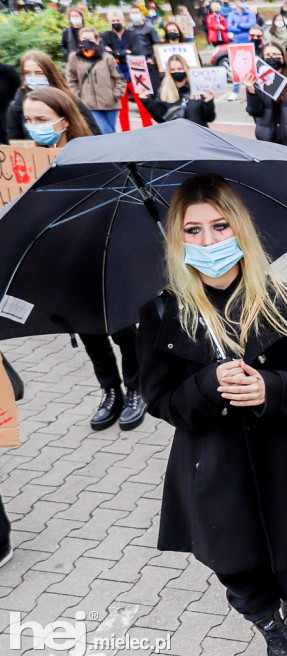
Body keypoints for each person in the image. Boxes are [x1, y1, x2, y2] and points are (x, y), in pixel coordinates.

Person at [137, 173, 287, 656]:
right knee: (237, 564)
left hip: (283, 456)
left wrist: (270, 391)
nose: (208, 241)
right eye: (192, 230)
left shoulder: (277, 296)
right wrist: (206, 386)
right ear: (176, 237)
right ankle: (271, 630)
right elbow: (160, 400)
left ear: (241, 230)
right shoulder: (163, 311)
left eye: (219, 226)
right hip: (213, 468)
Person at [23, 87, 146, 431]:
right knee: (89, 331)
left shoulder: (92, 154)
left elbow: (118, 205)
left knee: (122, 328)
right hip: (61, 263)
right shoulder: (26, 163)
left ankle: (137, 387)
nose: (34, 126)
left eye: (42, 120)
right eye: (28, 120)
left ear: (64, 120)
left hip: (102, 257)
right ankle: (111, 390)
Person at [7, 51, 100, 141]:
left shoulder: (71, 101)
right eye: (27, 73)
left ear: (49, 74)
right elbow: (15, 141)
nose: (33, 77)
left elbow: (93, 134)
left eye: (39, 73)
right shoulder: (16, 107)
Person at [65, 26, 126, 135]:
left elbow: (120, 78)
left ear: (97, 41)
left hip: (110, 102)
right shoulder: (74, 58)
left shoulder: (107, 57)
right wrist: (79, 94)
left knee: (111, 132)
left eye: (90, 39)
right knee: (104, 131)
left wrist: (115, 94)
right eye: (84, 39)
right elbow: (71, 79)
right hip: (89, 103)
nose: (87, 42)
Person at [101, 10, 155, 131]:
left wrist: (114, 53)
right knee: (122, 108)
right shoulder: (106, 36)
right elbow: (104, 52)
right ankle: (126, 132)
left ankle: (149, 129)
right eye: (113, 21)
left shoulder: (133, 35)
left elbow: (137, 52)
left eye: (118, 20)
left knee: (143, 104)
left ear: (124, 21)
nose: (116, 23)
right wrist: (124, 53)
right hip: (116, 77)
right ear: (109, 22)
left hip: (135, 74)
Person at [141, 54, 216, 126]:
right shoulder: (164, 92)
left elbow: (209, 118)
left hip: (198, 135)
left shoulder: (198, 89)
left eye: (179, 69)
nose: (176, 71)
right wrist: (147, 101)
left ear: (186, 69)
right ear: (169, 71)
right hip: (176, 135)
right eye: (172, 69)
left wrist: (209, 102)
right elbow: (161, 118)